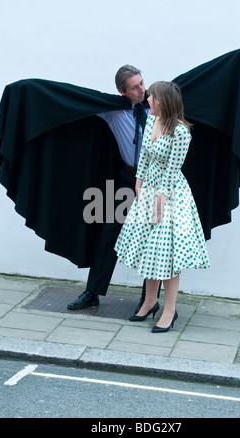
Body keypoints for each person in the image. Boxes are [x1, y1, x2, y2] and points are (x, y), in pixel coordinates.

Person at [114, 81, 210, 333]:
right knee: (149, 248)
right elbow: (144, 155)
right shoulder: (151, 121)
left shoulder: (181, 132)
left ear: (162, 101)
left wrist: (159, 201)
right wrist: (138, 182)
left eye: (151, 96)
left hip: (170, 195)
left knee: (166, 254)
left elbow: (172, 170)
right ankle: (149, 302)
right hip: (148, 189)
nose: (147, 99)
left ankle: (169, 310)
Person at [67, 65, 161, 312]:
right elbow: (79, 102)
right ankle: (93, 292)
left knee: (155, 240)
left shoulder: (158, 106)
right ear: (122, 92)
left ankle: (148, 300)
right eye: (135, 87)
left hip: (156, 183)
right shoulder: (113, 111)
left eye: (142, 83)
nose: (142, 89)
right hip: (129, 180)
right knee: (109, 234)